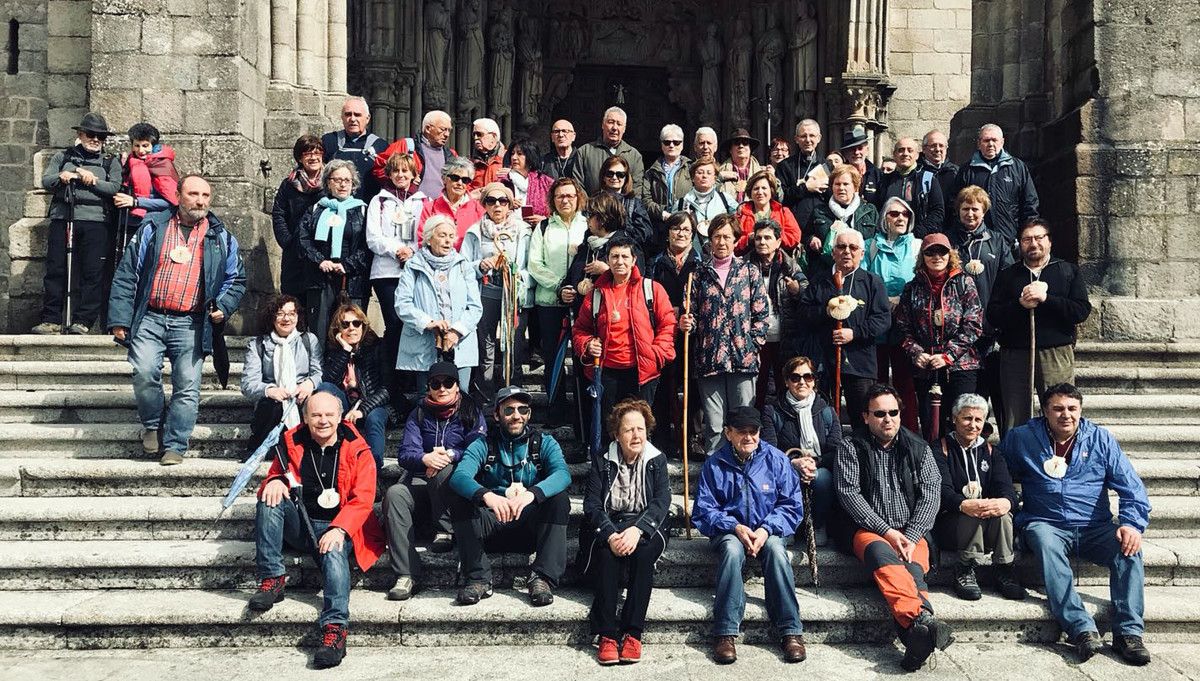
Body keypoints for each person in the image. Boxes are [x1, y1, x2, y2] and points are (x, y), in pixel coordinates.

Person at [1001, 383, 1152, 666]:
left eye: (1072, 409)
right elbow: (997, 472)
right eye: (1057, 409)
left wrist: (1132, 523)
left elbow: (1132, 488)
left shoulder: (1101, 439)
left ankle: (1128, 633)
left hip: (1094, 525)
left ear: (1080, 410)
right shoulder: (1021, 438)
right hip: (1045, 522)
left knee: (1129, 550)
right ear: (1045, 411)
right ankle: (1081, 628)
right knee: (1046, 543)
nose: (1065, 415)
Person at [108, 175, 246, 466]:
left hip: (192, 323)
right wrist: (120, 318)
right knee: (144, 372)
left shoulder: (221, 236)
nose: (201, 201)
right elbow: (127, 273)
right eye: (194, 194)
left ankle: (175, 444)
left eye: (206, 195)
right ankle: (151, 425)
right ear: (178, 196)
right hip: (151, 317)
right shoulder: (152, 227)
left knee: (187, 385)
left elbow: (236, 280)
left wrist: (222, 305)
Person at [248, 391, 386, 670]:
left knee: (333, 549)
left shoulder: (359, 449)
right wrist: (274, 481)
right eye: (316, 415)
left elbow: (363, 499)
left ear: (339, 417)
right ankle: (273, 578)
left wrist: (339, 529)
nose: (323, 421)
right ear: (306, 418)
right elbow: (279, 473)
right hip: (304, 523)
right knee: (268, 497)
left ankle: (335, 630)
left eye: (328, 415)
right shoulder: (291, 442)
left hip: (344, 527)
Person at [833, 384, 951, 672]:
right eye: (880, 413)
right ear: (865, 417)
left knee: (912, 571)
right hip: (868, 529)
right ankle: (922, 617)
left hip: (914, 531)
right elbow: (850, 495)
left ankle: (918, 636)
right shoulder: (850, 447)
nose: (888, 419)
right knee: (883, 558)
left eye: (894, 413)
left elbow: (931, 493)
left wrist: (910, 535)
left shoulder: (918, 447)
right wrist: (886, 531)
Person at [692, 406, 807, 665]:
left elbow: (791, 505)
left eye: (753, 432)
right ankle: (725, 631)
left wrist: (766, 529)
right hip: (730, 531)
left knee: (777, 552)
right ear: (728, 433)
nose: (749, 438)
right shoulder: (714, 463)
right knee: (732, 551)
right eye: (741, 432)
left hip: (769, 529)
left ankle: (791, 630)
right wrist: (735, 527)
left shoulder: (776, 459)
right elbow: (703, 510)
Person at [448, 385, 572, 606]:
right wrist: (486, 495)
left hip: (530, 526)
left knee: (559, 498)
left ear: (529, 414)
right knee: (459, 498)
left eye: (522, 410)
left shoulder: (544, 442)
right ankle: (478, 578)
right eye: (509, 410)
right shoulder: (482, 444)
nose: (517, 416)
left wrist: (533, 494)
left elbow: (563, 474)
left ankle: (542, 577)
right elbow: (459, 477)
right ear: (497, 414)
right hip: (491, 524)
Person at [385, 361, 486, 599]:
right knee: (394, 494)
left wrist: (451, 455)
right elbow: (405, 455)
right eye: (435, 383)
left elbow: (478, 445)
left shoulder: (471, 410)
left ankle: (445, 530)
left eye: (448, 383)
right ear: (428, 387)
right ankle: (406, 574)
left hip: (455, 485)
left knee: (443, 471)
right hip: (421, 480)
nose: (442, 388)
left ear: (457, 386)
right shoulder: (418, 413)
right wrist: (425, 458)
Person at [583, 399, 671, 665]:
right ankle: (607, 635)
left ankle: (633, 633)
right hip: (611, 521)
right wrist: (610, 534)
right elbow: (592, 504)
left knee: (644, 555)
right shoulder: (602, 459)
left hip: (645, 524)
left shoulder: (657, 459)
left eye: (641, 429)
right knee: (608, 554)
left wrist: (638, 530)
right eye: (629, 430)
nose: (636, 435)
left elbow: (661, 502)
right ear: (617, 435)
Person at [986, 219, 1091, 435]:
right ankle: (1017, 461)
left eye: (1038, 238)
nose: (1033, 244)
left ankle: (1058, 457)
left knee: (1059, 407)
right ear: (1020, 244)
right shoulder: (1008, 275)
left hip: (1055, 352)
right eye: (1027, 239)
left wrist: (1047, 299)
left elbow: (1080, 311)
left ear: (1049, 242)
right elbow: (993, 315)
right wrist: (1019, 305)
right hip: (1015, 353)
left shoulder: (1067, 271)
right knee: (1015, 413)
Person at [677, 215, 769, 452]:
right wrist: (688, 322)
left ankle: (745, 477)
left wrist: (752, 343)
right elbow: (692, 313)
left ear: (736, 240)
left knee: (744, 424)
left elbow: (761, 312)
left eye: (727, 236)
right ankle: (717, 480)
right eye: (716, 236)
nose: (721, 242)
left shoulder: (750, 271)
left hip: (743, 360)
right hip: (709, 360)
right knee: (716, 427)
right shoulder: (697, 274)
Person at [33, 112, 125, 335]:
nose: (96, 140)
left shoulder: (110, 162)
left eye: (101, 137)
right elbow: (47, 181)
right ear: (81, 134)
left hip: (96, 222)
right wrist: (66, 175)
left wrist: (92, 181)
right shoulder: (62, 158)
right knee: (56, 268)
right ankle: (51, 319)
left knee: (93, 272)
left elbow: (114, 187)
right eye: (91, 134)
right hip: (64, 219)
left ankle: (83, 320)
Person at [931, 393, 1025, 601]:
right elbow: (942, 491)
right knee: (971, 513)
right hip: (952, 523)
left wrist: (1005, 502)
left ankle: (1004, 568)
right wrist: (965, 505)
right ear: (954, 419)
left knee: (1003, 514)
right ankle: (964, 568)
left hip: (987, 524)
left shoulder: (992, 452)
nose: (973, 425)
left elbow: (1007, 489)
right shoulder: (939, 449)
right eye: (967, 418)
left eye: (978, 420)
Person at [572, 234, 677, 419]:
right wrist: (588, 344)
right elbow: (580, 329)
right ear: (608, 260)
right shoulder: (596, 294)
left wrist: (657, 353)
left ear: (633, 260)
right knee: (610, 427)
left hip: (642, 371)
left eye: (625, 256)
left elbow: (668, 325)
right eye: (614, 256)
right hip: (606, 371)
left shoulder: (651, 289)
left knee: (641, 427)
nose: (619, 261)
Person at [796, 229, 891, 428]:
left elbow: (882, 320)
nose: (847, 251)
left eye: (853, 247)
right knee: (822, 419)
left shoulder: (872, 282)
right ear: (833, 252)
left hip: (860, 362)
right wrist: (827, 312)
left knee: (863, 418)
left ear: (862, 253)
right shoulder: (819, 281)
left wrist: (854, 333)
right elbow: (803, 314)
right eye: (841, 247)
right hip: (823, 360)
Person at [895, 233, 984, 439]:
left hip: (961, 365)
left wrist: (948, 356)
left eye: (942, 251)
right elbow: (903, 326)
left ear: (949, 254)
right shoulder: (912, 288)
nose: (937, 256)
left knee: (963, 422)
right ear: (922, 256)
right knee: (931, 425)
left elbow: (973, 324)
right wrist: (916, 352)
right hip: (926, 367)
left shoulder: (964, 283)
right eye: (930, 252)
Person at [461, 182, 533, 397]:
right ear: (485, 205)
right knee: (487, 345)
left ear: (510, 205)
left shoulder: (523, 230)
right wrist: (481, 265)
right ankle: (486, 394)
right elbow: (464, 265)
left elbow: (531, 263)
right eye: (491, 201)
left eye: (503, 201)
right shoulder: (475, 231)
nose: (497, 206)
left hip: (514, 293)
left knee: (514, 344)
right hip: (487, 291)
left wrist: (518, 274)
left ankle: (514, 393)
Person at [761, 356, 842, 545]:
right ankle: (788, 524)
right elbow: (769, 449)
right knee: (787, 475)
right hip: (786, 466)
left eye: (808, 376)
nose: (802, 382)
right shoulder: (772, 410)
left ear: (815, 380)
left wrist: (814, 462)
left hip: (818, 466)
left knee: (822, 477)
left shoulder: (826, 411)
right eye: (795, 377)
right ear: (787, 381)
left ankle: (816, 524)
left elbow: (836, 449)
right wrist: (794, 463)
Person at [394, 215, 482, 389]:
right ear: (429, 238)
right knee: (426, 394)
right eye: (442, 235)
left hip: (459, 341)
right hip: (426, 341)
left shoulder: (463, 265)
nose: (447, 241)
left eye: (451, 236)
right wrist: (428, 323)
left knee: (460, 393)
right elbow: (402, 303)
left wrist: (457, 331)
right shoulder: (413, 265)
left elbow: (475, 307)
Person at [527, 177, 588, 425]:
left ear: (578, 198)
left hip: (581, 303)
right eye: (560, 196)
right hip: (550, 303)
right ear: (553, 199)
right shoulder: (543, 227)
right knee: (554, 359)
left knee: (582, 358)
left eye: (570, 195)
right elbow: (535, 264)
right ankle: (555, 411)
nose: (565, 200)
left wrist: (577, 288)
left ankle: (582, 414)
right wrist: (559, 286)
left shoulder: (587, 225)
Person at [947, 186, 1013, 412]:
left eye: (975, 209)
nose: (970, 214)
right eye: (965, 209)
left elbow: (1009, 279)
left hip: (989, 328)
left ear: (984, 211)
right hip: (958, 332)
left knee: (990, 393)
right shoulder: (949, 240)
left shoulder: (997, 241)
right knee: (962, 398)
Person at [365, 151, 426, 390]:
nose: (401, 175)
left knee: (413, 324)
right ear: (389, 173)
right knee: (394, 323)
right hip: (386, 272)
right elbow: (373, 237)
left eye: (405, 170)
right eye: (396, 170)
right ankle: (391, 382)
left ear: (413, 174)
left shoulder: (423, 201)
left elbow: (424, 233)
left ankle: (411, 380)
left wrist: (411, 253)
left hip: (414, 270)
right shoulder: (378, 201)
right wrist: (397, 250)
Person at [297, 160, 372, 349]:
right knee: (319, 333)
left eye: (347, 180)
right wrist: (319, 261)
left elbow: (368, 244)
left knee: (352, 330)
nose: (342, 184)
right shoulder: (316, 209)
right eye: (337, 179)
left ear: (353, 183)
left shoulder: (363, 210)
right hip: (320, 277)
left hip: (352, 280)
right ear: (328, 182)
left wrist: (347, 265)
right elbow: (303, 240)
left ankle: (352, 375)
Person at [646, 212, 703, 455]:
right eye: (676, 228)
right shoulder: (656, 263)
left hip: (692, 335)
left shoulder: (700, 263)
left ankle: (688, 437)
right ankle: (662, 439)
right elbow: (646, 297)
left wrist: (693, 317)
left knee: (691, 388)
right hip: (662, 333)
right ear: (668, 232)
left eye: (686, 229)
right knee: (663, 387)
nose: (681, 233)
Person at [864, 197, 921, 433]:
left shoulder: (917, 246)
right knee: (876, 379)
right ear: (884, 218)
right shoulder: (870, 246)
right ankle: (876, 428)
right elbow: (864, 279)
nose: (900, 218)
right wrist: (882, 301)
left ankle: (907, 431)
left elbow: (920, 279)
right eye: (894, 214)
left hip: (905, 321)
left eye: (905, 214)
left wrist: (901, 300)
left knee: (904, 380)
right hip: (877, 319)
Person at [241, 294, 321, 454]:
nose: (287, 318)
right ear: (272, 317)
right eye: (280, 313)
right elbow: (248, 384)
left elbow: (318, 371)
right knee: (274, 406)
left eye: (292, 313)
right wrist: (270, 390)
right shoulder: (257, 344)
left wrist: (310, 383)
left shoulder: (309, 340)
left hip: (300, 398)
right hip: (273, 404)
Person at [317, 303, 392, 469]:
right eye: (345, 324)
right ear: (338, 330)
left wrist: (362, 410)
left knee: (374, 418)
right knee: (325, 388)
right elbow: (327, 382)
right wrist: (345, 351)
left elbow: (387, 389)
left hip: (374, 404)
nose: (352, 328)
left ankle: (373, 468)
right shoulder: (334, 351)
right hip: (345, 406)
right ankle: (326, 457)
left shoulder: (377, 348)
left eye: (356, 323)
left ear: (363, 326)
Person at [745, 219, 806, 409]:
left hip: (784, 336)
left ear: (778, 242)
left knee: (783, 385)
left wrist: (797, 291)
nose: (762, 242)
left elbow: (806, 290)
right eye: (758, 238)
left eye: (768, 238)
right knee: (757, 388)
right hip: (755, 338)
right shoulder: (744, 265)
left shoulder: (789, 265)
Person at [952, 124, 1039, 249]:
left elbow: (1030, 204)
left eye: (994, 140)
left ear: (1002, 142)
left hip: (1010, 241)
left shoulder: (1018, 168)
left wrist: (1026, 235)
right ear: (979, 143)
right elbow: (955, 205)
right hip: (976, 242)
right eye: (986, 140)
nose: (991, 144)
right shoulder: (967, 171)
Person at [272, 134, 327, 300]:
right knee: (293, 300)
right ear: (299, 158)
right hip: (294, 254)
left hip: (321, 252)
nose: (313, 157)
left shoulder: (330, 182)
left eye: (317, 152)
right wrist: (288, 242)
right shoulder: (288, 184)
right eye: (307, 153)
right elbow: (279, 214)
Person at [808, 164, 880, 271]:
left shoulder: (869, 211)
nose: (841, 188)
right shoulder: (819, 211)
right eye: (837, 184)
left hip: (861, 270)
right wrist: (811, 239)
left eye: (846, 184)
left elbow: (878, 240)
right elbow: (805, 235)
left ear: (855, 187)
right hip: (827, 270)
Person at [373, 110, 458, 198]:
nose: (447, 134)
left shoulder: (451, 154)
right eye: (443, 129)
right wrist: (404, 180)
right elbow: (379, 169)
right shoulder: (405, 146)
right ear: (428, 129)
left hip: (441, 208)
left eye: (449, 130)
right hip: (412, 206)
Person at [115, 122, 179, 234]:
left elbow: (171, 202)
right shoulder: (129, 163)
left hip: (155, 224)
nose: (140, 151)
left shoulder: (163, 165)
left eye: (145, 146)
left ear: (153, 146)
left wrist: (136, 202)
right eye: (137, 145)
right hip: (128, 223)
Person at [875, 137, 945, 238]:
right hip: (889, 238)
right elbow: (879, 209)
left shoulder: (928, 179)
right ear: (894, 155)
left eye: (910, 150)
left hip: (918, 240)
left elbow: (937, 212)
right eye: (901, 150)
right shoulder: (884, 181)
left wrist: (916, 234)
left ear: (916, 155)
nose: (905, 154)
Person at [321, 96, 388, 200]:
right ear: (342, 117)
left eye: (357, 115)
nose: (352, 119)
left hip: (367, 208)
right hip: (333, 207)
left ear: (368, 118)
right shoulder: (328, 141)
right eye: (348, 114)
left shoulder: (381, 146)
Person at [572, 106, 645, 196]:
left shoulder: (634, 156)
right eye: (611, 122)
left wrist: (628, 208)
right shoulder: (584, 152)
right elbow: (577, 185)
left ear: (624, 129)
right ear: (603, 125)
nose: (614, 127)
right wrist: (590, 207)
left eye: (619, 124)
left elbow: (637, 189)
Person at [416, 155, 484, 248]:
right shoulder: (430, 207)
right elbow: (422, 239)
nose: (460, 183)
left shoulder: (478, 208)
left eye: (465, 180)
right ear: (444, 179)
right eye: (455, 178)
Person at [774, 119, 827, 238]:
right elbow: (780, 198)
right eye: (803, 136)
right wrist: (806, 188)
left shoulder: (826, 166)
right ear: (796, 139)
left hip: (821, 228)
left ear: (819, 138)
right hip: (793, 228)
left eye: (812, 135)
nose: (808, 140)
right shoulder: (785, 166)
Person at [642, 123, 693, 247]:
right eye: (667, 142)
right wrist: (662, 213)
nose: (671, 145)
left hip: (685, 225)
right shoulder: (651, 172)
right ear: (662, 145)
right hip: (659, 227)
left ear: (682, 145)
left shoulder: (691, 169)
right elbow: (645, 200)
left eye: (676, 142)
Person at [566, 191, 624, 299]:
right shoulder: (586, 246)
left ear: (604, 217)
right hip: (582, 313)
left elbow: (633, 285)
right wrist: (564, 291)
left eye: (591, 215)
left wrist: (606, 271)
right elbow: (569, 278)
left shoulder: (625, 247)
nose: (587, 219)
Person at [597, 155, 655, 257]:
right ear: (603, 176)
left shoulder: (634, 203)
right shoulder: (594, 202)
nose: (614, 178)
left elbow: (645, 234)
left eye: (620, 174)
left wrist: (622, 222)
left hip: (626, 259)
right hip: (599, 256)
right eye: (610, 174)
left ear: (626, 178)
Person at [734, 170, 801, 255]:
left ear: (771, 190)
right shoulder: (741, 214)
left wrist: (773, 237)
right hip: (747, 261)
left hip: (778, 261)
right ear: (750, 192)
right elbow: (732, 242)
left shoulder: (783, 212)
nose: (760, 192)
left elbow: (794, 238)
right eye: (756, 188)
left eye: (764, 188)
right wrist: (748, 239)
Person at [675, 157, 736, 244]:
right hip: (692, 253)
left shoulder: (726, 200)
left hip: (720, 250)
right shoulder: (681, 204)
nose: (704, 176)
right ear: (692, 178)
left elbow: (738, 223)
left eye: (709, 173)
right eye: (700, 172)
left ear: (715, 178)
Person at [502, 136, 554, 227]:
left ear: (530, 156)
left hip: (538, 233)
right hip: (509, 232)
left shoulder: (546, 183)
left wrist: (545, 221)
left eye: (520, 154)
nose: (514, 157)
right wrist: (506, 204)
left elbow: (559, 212)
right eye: (512, 153)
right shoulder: (503, 182)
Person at [918, 130, 958, 228]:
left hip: (950, 229)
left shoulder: (956, 172)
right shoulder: (917, 172)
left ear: (946, 148)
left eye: (941, 146)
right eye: (933, 145)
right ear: (923, 149)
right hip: (923, 229)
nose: (937, 149)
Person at [718, 128, 767, 203]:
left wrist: (774, 180)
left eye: (745, 143)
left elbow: (779, 197)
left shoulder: (763, 173)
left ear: (750, 149)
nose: (741, 146)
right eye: (736, 143)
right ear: (730, 150)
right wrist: (718, 178)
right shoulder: (719, 172)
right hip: (726, 214)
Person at [839, 125, 881, 205]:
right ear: (846, 153)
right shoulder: (839, 174)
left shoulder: (877, 174)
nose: (856, 152)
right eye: (852, 149)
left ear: (867, 150)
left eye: (860, 148)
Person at [469, 117, 505, 191]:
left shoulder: (509, 159)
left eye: (479, 134)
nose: (475, 138)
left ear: (493, 137)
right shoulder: (469, 163)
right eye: (474, 135)